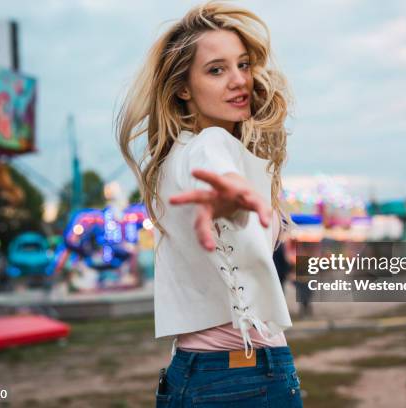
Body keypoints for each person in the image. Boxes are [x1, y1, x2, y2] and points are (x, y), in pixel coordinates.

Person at [116, 2, 303, 406]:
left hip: (197, 372)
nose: (238, 80)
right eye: (216, 70)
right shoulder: (211, 145)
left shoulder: (172, 158)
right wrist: (234, 193)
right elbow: (219, 170)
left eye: (243, 64)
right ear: (183, 87)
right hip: (242, 376)